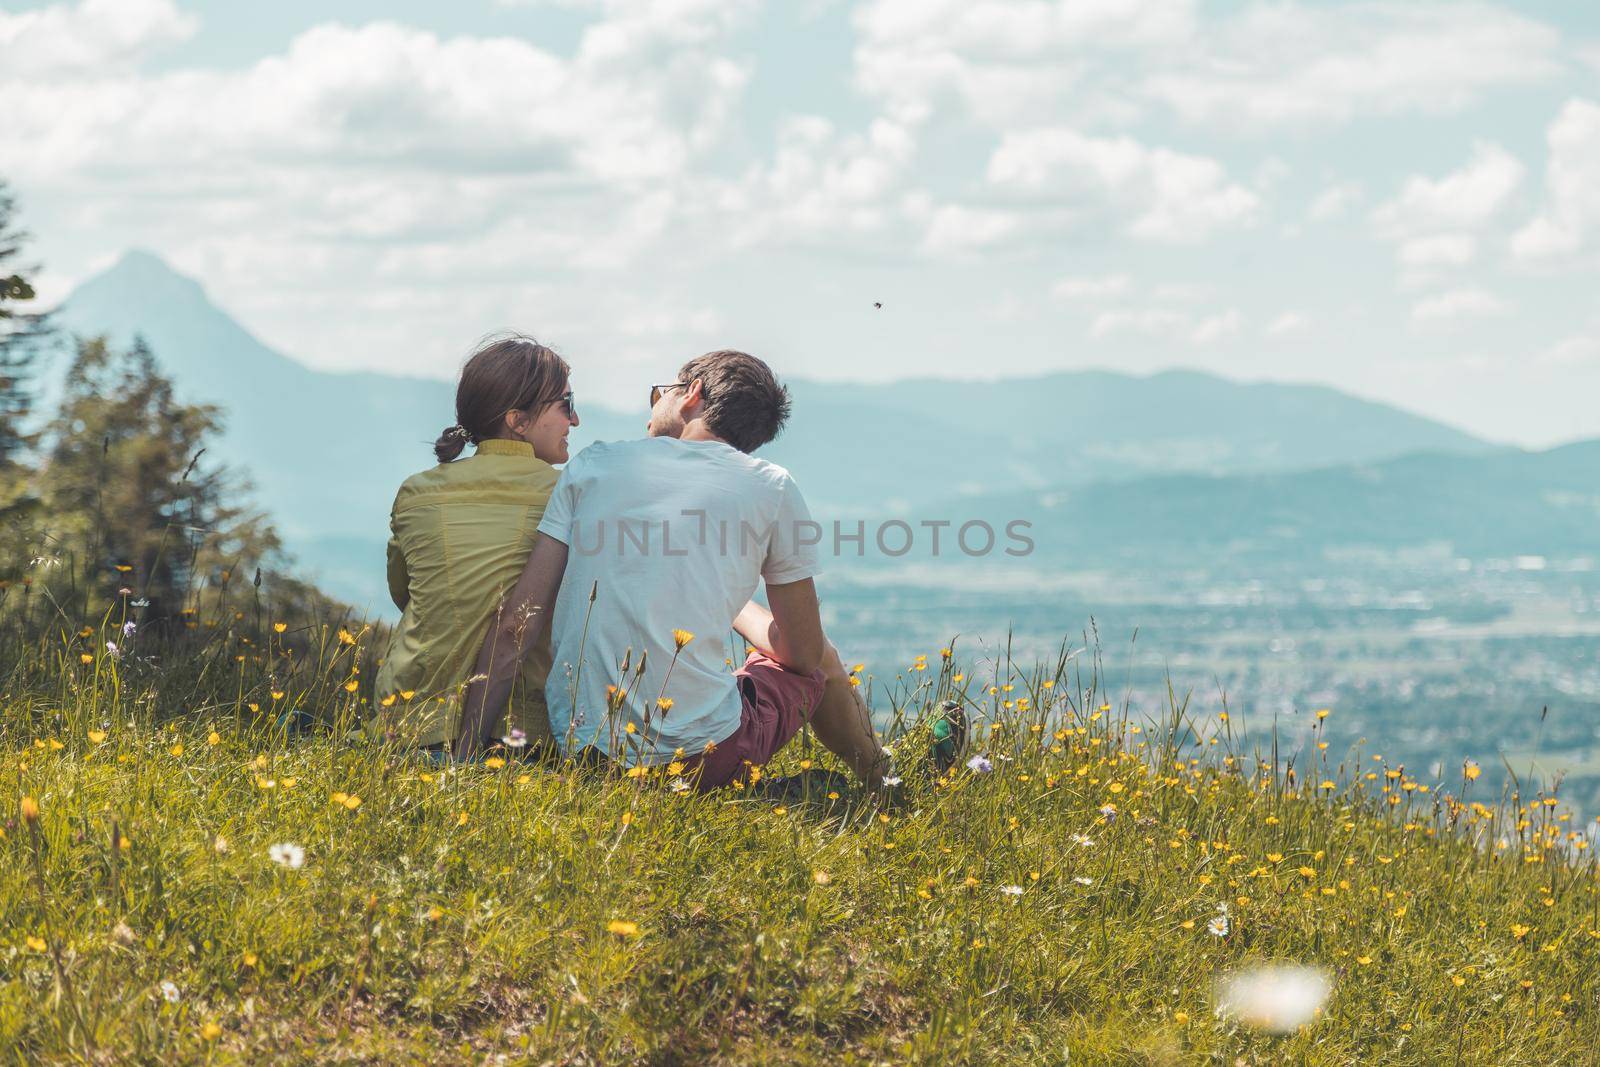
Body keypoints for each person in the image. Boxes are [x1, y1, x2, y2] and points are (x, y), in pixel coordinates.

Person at [455, 349, 887, 790]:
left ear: (691, 395)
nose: (652, 407)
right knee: (824, 659)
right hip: (702, 758)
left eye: (658, 393)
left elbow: (516, 625)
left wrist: (465, 755)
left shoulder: (593, 466)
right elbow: (803, 656)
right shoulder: (771, 487)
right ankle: (883, 785)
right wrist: (737, 608)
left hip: (585, 752)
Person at [374, 334, 579, 755]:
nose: (574, 421)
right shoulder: (570, 497)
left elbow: (406, 594)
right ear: (518, 421)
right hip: (519, 734)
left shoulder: (417, 492)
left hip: (407, 723)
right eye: (566, 405)